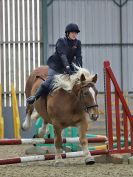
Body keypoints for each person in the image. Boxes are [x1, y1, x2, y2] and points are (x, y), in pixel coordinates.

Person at [26, 23, 82, 105]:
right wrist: (67, 67)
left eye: (76, 33)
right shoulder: (61, 41)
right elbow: (63, 55)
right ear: (67, 33)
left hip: (69, 66)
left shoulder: (78, 43)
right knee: (49, 81)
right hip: (56, 66)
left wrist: (80, 69)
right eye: (72, 33)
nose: (74, 34)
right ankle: (35, 97)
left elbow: (79, 57)